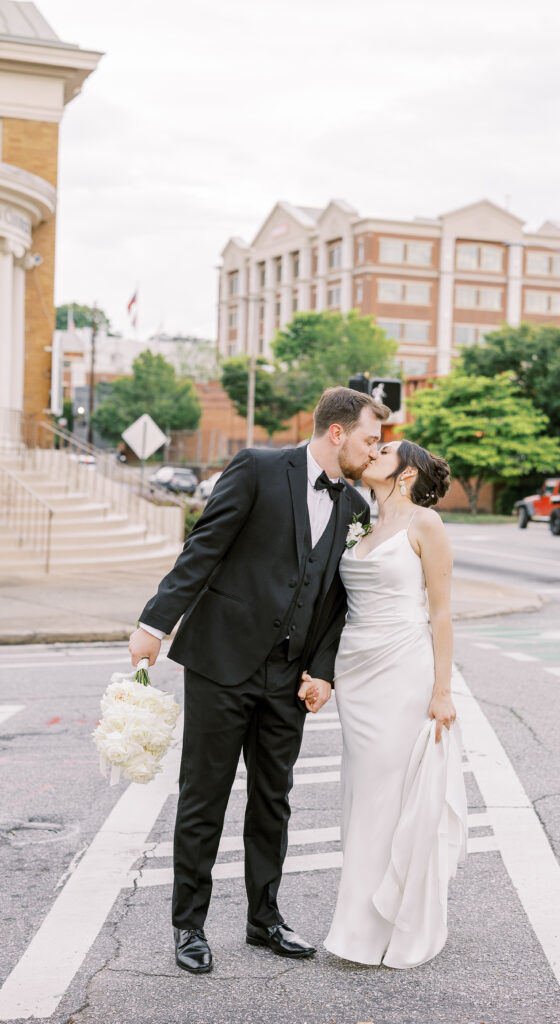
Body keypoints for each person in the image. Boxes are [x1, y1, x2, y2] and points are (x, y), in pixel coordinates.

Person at [127, 387, 390, 974]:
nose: (375, 453)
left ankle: (264, 919)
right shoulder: (258, 467)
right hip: (221, 662)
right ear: (339, 432)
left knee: (274, 800)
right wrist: (155, 622)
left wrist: (322, 671)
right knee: (205, 799)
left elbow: (337, 602)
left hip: (288, 676)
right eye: (371, 440)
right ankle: (189, 927)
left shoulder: (355, 508)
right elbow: (204, 548)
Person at [305, 439, 468, 969]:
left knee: (386, 795)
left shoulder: (426, 525)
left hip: (404, 669)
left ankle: (379, 927)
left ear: (407, 473)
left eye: (387, 450)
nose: (374, 451)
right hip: (358, 673)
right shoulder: (361, 522)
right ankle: (359, 924)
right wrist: (322, 672)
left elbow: (441, 614)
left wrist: (442, 691)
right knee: (361, 794)